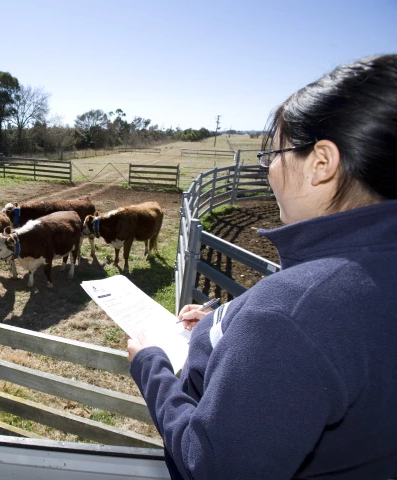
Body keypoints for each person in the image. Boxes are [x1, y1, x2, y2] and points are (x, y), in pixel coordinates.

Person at [127, 54, 397, 480]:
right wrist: (224, 324)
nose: (268, 168)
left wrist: (150, 364)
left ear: (321, 163)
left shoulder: (292, 311)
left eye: (275, 153)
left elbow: (212, 464)